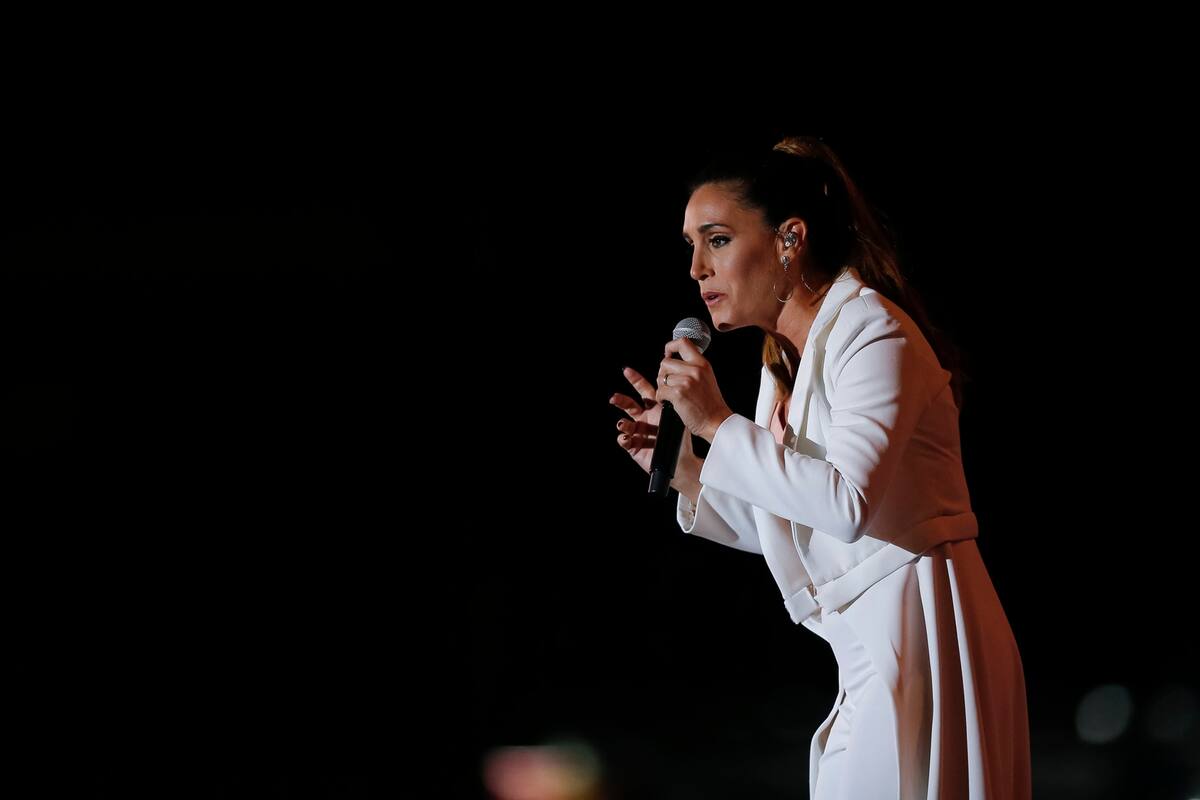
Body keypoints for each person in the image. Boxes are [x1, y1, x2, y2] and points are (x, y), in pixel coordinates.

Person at [609, 136, 1031, 799]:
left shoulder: (872, 332)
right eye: (690, 245)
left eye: (716, 240)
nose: (696, 268)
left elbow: (846, 504)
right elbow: (800, 519)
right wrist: (690, 468)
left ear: (789, 239)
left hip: (923, 629)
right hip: (867, 647)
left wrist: (718, 424)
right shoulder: (782, 366)